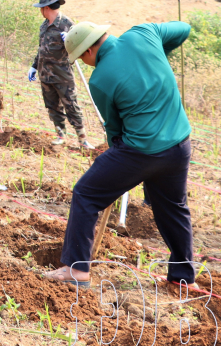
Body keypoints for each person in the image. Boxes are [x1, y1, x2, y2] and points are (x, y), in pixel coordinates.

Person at [45, 21, 193, 287]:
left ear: (89, 51)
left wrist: (115, 159)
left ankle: (77, 270)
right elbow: (184, 28)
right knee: (173, 209)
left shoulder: (100, 80)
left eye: (81, 58)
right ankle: (183, 279)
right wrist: (158, 55)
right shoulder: (145, 34)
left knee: (86, 194)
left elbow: (114, 129)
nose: (85, 63)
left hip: (139, 151)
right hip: (179, 145)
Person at [28, 0, 93, 150]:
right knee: (52, 106)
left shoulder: (67, 24)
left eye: (41, 8)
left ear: (46, 8)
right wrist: (34, 66)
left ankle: (82, 140)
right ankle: (60, 135)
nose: (41, 11)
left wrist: (70, 40)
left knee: (71, 106)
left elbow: (81, 48)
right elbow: (42, 49)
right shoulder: (44, 26)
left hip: (62, 75)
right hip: (45, 75)